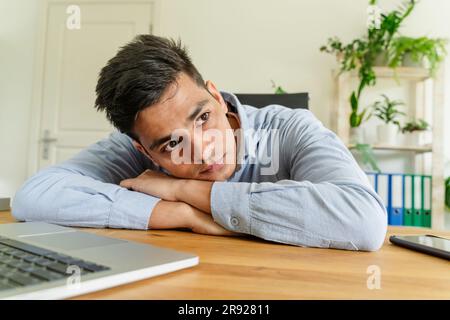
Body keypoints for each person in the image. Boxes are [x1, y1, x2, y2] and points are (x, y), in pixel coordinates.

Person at [12, 34, 387, 251]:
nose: (203, 150)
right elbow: (35, 195)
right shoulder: (132, 148)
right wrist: (183, 215)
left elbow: (363, 220)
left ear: (217, 95)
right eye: (172, 144)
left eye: (203, 117)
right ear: (144, 151)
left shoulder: (291, 129)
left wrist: (183, 189)